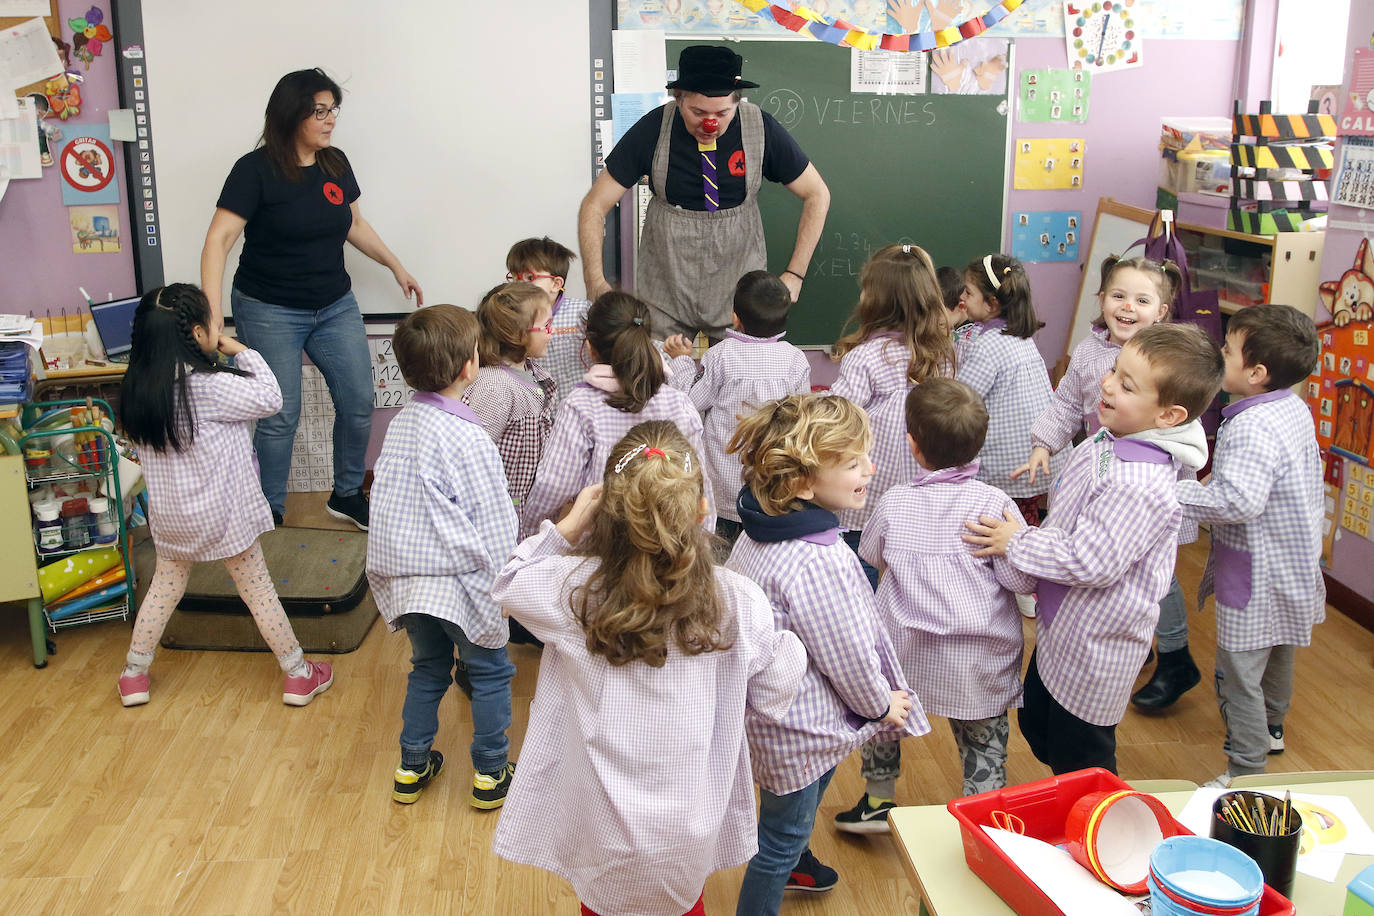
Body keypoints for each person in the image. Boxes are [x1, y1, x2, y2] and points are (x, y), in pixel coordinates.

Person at [490, 422, 807, 916]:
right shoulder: (739, 601)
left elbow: (509, 582)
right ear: (702, 510)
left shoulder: (572, 591)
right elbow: (773, 692)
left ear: (607, 513)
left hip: (601, 824)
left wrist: (565, 529)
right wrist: (786, 644)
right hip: (687, 824)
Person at [966, 324, 1223, 775]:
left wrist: (1018, 540)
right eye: (1114, 370)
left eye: (1126, 385)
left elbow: (1090, 560)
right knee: (1040, 725)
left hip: (1095, 647)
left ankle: (1097, 828)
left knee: (1082, 761)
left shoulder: (1139, 484)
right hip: (1064, 627)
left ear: (1167, 416)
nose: (1106, 383)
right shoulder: (1116, 437)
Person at [201, 68, 423, 530]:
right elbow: (219, 239)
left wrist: (395, 265)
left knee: (360, 402)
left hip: (333, 304)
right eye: (319, 111)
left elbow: (354, 224)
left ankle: (345, 495)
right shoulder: (255, 170)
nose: (330, 120)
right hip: (269, 307)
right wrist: (211, 312)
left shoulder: (335, 163)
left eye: (332, 110)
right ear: (292, 114)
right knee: (280, 414)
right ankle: (267, 511)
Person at [726, 394, 923, 914]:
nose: (871, 469)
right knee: (778, 841)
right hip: (800, 730)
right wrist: (882, 705)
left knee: (788, 815)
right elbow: (849, 654)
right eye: (854, 462)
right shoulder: (821, 560)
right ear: (802, 483)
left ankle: (796, 859)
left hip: (772, 719)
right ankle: (779, 877)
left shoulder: (759, 529)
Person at [115, 284, 332, 708]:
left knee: (164, 588)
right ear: (198, 334)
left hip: (173, 518)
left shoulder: (139, 390)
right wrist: (240, 350)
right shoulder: (209, 385)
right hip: (223, 516)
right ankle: (298, 674)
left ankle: (133, 674)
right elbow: (271, 397)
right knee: (258, 590)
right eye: (215, 323)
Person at [835, 380, 1035, 834]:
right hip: (978, 662)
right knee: (983, 743)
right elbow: (1020, 578)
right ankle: (984, 822)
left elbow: (871, 556)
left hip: (906, 655)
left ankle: (878, 801)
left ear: (912, 443)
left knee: (884, 721)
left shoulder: (893, 502)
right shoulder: (995, 506)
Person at [1017, 255, 1202, 709]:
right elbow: (1065, 405)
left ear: (1160, 311)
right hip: (1099, 466)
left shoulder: (1165, 361)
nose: (1127, 307)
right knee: (1102, 562)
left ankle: (1175, 654)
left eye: (1141, 300)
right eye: (1118, 295)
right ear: (1101, 300)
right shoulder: (1087, 350)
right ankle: (1120, 643)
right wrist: (1044, 443)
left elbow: (1181, 432)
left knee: (1155, 576)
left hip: (1138, 485)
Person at [365, 305, 519, 808]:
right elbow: (495, 521)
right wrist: (507, 585)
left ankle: (410, 768)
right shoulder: (470, 436)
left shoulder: (403, 424)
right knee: (491, 672)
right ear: (469, 367)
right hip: (460, 583)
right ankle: (491, 773)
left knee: (428, 668)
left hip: (409, 581)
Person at [578, 45, 830, 342]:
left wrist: (795, 274)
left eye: (723, 113)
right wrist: (594, 279)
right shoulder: (653, 128)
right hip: (664, 287)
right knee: (659, 379)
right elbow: (594, 205)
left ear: (738, 101)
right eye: (698, 112)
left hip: (739, 291)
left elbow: (817, 194)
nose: (710, 123)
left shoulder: (761, 128)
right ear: (678, 98)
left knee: (739, 381)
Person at [1174, 306, 1324, 788]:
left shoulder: (1249, 425)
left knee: (1238, 670)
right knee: (1281, 651)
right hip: (1293, 562)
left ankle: (1246, 766)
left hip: (1255, 572)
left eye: (1228, 349)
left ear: (1256, 373)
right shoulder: (1290, 406)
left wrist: (1177, 491)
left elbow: (1237, 501)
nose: (1219, 354)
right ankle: (1272, 727)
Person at [520, 291, 712, 537]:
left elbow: (554, 486)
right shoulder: (679, 404)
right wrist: (699, 543)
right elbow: (698, 485)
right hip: (667, 546)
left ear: (590, 347)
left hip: (601, 548)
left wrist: (531, 535)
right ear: (646, 340)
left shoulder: (581, 406)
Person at [830, 243, 953, 587]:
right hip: (921, 485)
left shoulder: (865, 358)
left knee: (859, 562)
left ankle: (864, 616)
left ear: (877, 301)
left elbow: (840, 418)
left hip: (869, 490)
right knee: (911, 564)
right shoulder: (939, 354)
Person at [665, 270, 811, 546]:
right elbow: (801, 418)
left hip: (724, 489)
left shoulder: (721, 355)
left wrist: (681, 361)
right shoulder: (795, 360)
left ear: (735, 317)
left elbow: (690, 401)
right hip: (772, 486)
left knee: (721, 556)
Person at [955, 254, 1061, 522]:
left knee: (1004, 528)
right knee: (1024, 522)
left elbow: (959, 400)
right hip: (1036, 462)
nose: (962, 298)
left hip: (1006, 470)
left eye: (969, 292)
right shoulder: (1019, 338)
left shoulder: (987, 345)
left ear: (991, 304)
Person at [463, 282, 557, 512]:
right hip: (502, 507)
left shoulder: (533, 372)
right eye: (546, 326)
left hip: (527, 502)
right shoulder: (494, 388)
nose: (551, 332)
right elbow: (474, 457)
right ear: (517, 334)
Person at [505, 237, 591, 407]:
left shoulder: (584, 313)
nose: (519, 286)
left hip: (579, 406)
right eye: (515, 278)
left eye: (529, 277)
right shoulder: (511, 317)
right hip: (538, 411)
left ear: (556, 284)